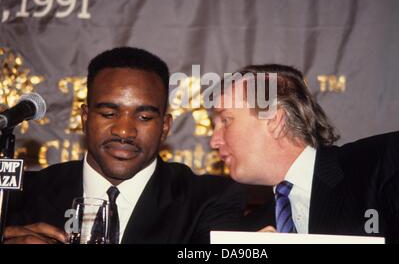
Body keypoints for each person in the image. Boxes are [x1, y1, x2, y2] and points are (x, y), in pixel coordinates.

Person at [4, 47, 245, 244]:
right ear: (85, 119)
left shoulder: (208, 201)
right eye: (109, 113)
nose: (124, 131)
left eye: (145, 117)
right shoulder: (22, 195)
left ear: (164, 127)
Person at [210, 64, 399, 244]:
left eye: (226, 121)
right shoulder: (249, 232)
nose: (214, 140)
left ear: (274, 120)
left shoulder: (382, 162)